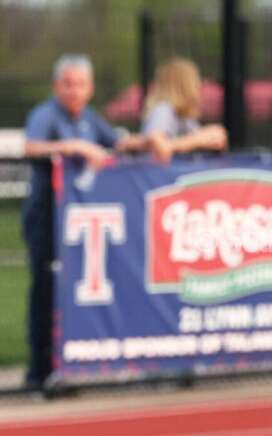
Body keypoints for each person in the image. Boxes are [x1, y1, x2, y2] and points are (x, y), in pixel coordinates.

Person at [23, 53, 151, 389]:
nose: (74, 90)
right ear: (56, 86)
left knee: (76, 291)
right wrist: (74, 146)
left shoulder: (91, 118)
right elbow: (31, 147)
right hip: (46, 219)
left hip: (80, 225)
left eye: (80, 84)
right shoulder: (46, 115)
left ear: (90, 88)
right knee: (46, 288)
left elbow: (118, 143)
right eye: (67, 84)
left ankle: (71, 364)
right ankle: (39, 371)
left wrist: (149, 140)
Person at [141, 58, 228, 163]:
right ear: (185, 86)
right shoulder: (163, 110)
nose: (199, 86)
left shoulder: (185, 117)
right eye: (196, 81)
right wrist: (196, 141)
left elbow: (218, 138)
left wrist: (205, 137)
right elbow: (157, 144)